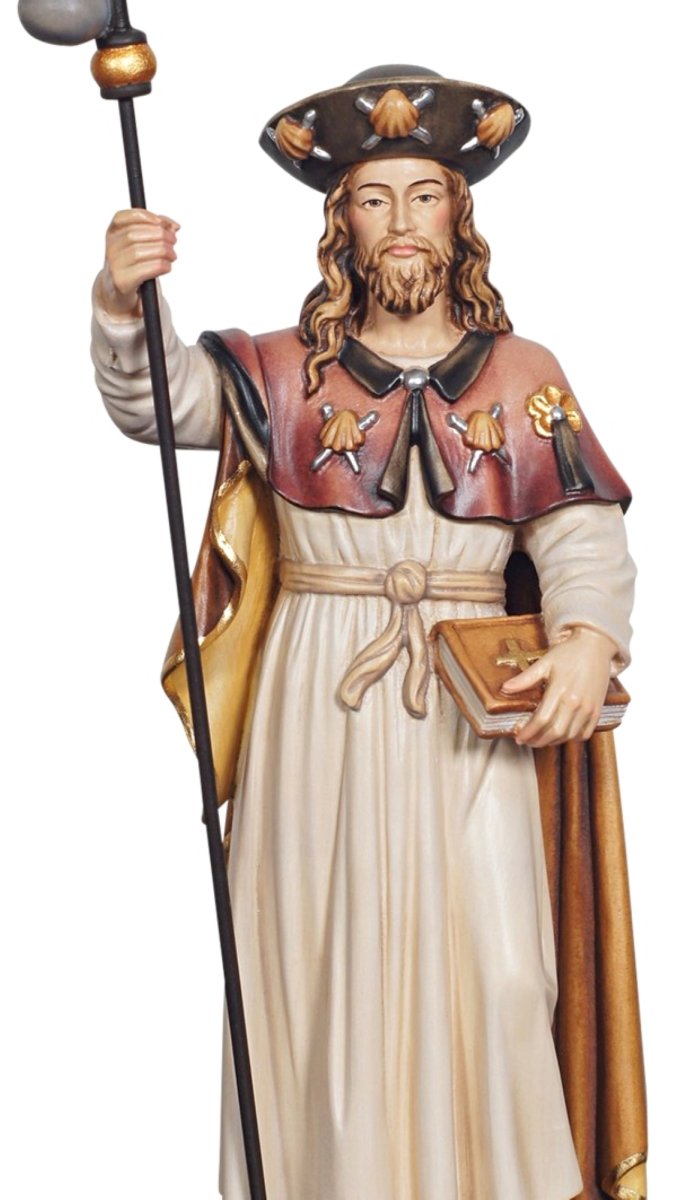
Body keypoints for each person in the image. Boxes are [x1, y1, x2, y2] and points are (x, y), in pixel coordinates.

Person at [91, 67, 646, 1200]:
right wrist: (121, 298)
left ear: (458, 216)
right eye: (375, 198)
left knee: (503, 972)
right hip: (318, 701)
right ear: (340, 221)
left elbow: (581, 530)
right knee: (316, 965)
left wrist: (587, 637)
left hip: (473, 709)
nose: (401, 222)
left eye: (423, 195)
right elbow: (157, 399)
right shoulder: (277, 373)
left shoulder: (522, 378)